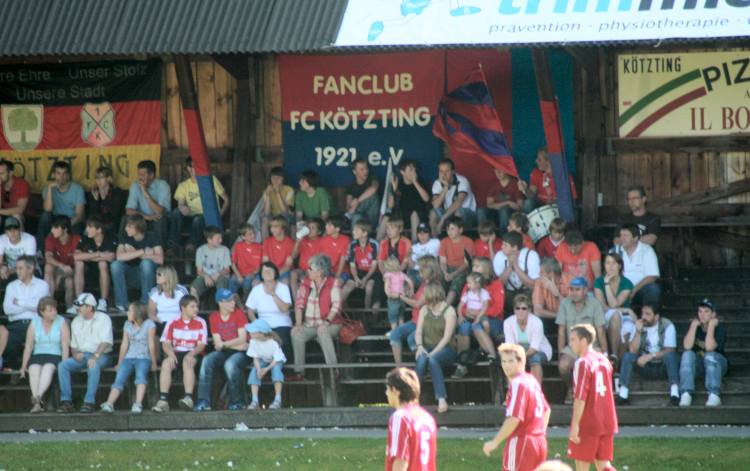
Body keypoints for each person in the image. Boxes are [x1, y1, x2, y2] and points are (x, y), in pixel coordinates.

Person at [483, 343, 550, 471]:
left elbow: (514, 418)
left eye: (511, 361)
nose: (506, 365)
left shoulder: (517, 383)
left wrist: (495, 442)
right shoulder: (531, 380)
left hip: (521, 441)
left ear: (521, 362)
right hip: (539, 441)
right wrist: (539, 433)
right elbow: (546, 411)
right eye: (503, 361)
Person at [567, 324, 618, 471]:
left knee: (582, 466)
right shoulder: (604, 360)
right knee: (604, 466)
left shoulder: (583, 362)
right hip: (607, 420)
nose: (571, 343)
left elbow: (580, 396)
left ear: (584, 340)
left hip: (589, 422)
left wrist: (575, 424)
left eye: (573, 339)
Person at [56, 293, 113, 413]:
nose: (77, 309)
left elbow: (105, 342)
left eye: (80, 306)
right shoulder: (75, 321)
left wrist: (95, 356)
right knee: (63, 365)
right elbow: (74, 345)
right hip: (83, 355)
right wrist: (75, 354)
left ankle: (89, 402)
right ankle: (66, 401)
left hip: (102, 355)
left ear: (90, 307)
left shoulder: (104, 318)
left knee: (93, 365)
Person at [195, 289, 249, 411]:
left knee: (230, 364)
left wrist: (225, 344)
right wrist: (232, 344)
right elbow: (219, 344)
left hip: (242, 353)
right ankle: (203, 401)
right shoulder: (214, 317)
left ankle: (237, 401)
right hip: (227, 351)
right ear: (220, 302)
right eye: (229, 301)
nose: (233, 303)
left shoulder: (239, 314)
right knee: (207, 360)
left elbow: (243, 339)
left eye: (233, 300)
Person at [290, 255, 342, 379]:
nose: (307, 270)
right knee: (296, 333)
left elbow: (336, 305)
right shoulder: (305, 283)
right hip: (310, 324)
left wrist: (326, 322)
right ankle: (299, 372)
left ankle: (333, 370)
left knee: (322, 331)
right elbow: (299, 304)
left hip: (332, 323)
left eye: (310, 268)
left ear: (319, 272)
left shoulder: (333, 283)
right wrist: (298, 324)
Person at [99, 302, 157, 414]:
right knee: (119, 378)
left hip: (143, 357)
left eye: (130, 310)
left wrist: (153, 362)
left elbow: (151, 344)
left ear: (137, 312)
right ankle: (109, 403)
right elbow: (124, 344)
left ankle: (138, 404)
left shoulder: (149, 324)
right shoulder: (127, 324)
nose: (127, 313)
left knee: (140, 377)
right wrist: (120, 362)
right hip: (129, 357)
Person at [152, 295, 207, 412]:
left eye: (197, 306)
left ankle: (188, 398)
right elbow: (165, 343)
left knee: (188, 362)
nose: (196, 309)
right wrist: (171, 355)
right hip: (176, 352)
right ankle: (163, 400)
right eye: (192, 306)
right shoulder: (173, 321)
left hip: (193, 352)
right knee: (166, 363)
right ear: (183, 308)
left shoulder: (201, 322)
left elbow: (201, 345)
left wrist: (190, 354)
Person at [617, 304, 679, 406]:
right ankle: (623, 395)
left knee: (671, 356)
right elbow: (632, 350)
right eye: (642, 313)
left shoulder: (667, 325)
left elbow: (670, 350)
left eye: (648, 314)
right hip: (645, 367)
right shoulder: (638, 325)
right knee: (627, 356)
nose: (643, 317)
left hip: (662, 367)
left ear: (656, 317)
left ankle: (674, 394)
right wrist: (638, 331)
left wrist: (651, 356)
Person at [556, 277, 608, 395]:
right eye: (571, 289)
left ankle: (590, 393)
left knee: (594, 367)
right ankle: (573, 389)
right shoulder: (565, 303)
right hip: (572, 347)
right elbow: (561, 331)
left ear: (585, 290)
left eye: (577, 290)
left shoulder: (595, 304)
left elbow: (601, 331)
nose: (573, 293)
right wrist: (561, 353)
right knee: (563, 366)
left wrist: (605, 353)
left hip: (592, 347)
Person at [19, 297, 69, 413]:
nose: (54, 312)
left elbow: (65, 346)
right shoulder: (35, 322)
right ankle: (38, 403)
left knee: (47, 369)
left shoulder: (61, 321)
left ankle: (37, 398)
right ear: (42, 312)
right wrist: (23, 366)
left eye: (55, 309)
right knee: (33, 369)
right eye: (50, 310)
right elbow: (29, 346)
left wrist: (64, 363)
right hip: (38, 354)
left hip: (55, 354)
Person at [169, 157, 230, 252]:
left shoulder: (211, 180)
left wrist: (219, 215)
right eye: (194, 167)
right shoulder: (183, 185)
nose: (197, 169)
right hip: (190, 218)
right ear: (189, 168)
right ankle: (173, 244)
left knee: (198, 219)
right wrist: (182, 207)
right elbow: (180, 204)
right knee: (176, 212)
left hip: (207, 218)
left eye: (199, 166)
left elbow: (226, 200)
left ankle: (191, 245)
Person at [414, 282, 457, 414]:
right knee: (421, 361)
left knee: (433, 360)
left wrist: (432, 353)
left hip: (446, 349)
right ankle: (413, 398)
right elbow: (418, 332)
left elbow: (446, 338)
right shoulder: (424, 310)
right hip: (427, 346)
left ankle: (441, 399)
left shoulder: (449, 311)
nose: (427, 302)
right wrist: (420, 347)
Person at [1, 256, 50, 370]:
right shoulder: (11, 286)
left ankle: (36, 369)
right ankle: (14, 369)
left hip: (36, 324)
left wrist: (18, 302)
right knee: (8, 343)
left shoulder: (42, 285)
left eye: (21, 268)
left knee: (42, 343)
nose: (17, 271)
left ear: (30, 268)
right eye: (17, 268)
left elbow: (40, 307)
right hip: (16, 326)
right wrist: (30, 305)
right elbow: (7, 309)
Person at [384, 367, 437, 471]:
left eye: (387, 389)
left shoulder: (401, 417)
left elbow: (401, 458)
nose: (386, 393)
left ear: (395, 390)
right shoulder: (427, 418)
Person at [679, 298, 728, 407]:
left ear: (713, 314)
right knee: (687, 354)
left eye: (706, 311)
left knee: (710, 355)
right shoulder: (695, 327)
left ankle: (714, 394)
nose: (702, 314)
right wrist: (692, 326)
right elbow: (687, 346)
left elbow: (710, 348)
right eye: (700, 311)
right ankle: (686, 393)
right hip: (700, 366)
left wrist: (710, 326)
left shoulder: (720, 328)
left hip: (718, 365)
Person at [390, 256, 437, 367]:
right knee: (395, 334)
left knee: (412, 339)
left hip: (426, 322)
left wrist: (401, 297)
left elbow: (417, 304)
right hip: (415, 320)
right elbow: (416, 299)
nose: (418, 270)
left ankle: (424, 365)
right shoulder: (423, 283)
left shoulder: (432, 285)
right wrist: (410, 295)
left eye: (421, 267)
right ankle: (399, 367)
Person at [111, 215, 163, 310]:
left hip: (148, 277)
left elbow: (160, 259)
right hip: (130, 276)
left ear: (138, 227)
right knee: (115, 265)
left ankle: (146, 302)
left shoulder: (152, 237)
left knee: (146, 263)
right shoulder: (125, 238)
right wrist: (142, 251)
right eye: (126, 226)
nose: (126, 229)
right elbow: (119, 257)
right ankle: (121, 303)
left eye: (129, 226)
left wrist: (133, 253)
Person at [245, 262, 294, 361]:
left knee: (280, 341)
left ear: (275, 273)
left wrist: (273, 294)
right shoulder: (256, 289)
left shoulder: (283, 287)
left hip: (282, 324)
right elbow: (250, 310)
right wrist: (257, 323)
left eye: (270, 271)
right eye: (264, 271)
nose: (267, 273)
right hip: (263, 325)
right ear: (261, 274)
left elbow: (284, 309)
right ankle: (264, 367)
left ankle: (285, 369)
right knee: (258, 341)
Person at [594, 253, 635, 364]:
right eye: (607, 263)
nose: (610, 266)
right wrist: (627, 310)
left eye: (614, 263)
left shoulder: (627, 283)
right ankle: (614, 355)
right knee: (615, 315)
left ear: (619, 266)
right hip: (604, 315)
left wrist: (622, 311)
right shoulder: (599, 282)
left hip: (625, 318)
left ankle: (617, 363)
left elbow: (614, 304)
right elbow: (602, 306)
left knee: (628, 328)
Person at [503, 295, 553, 385]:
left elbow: (534, 348)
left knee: (535, 359)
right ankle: (513, 393)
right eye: (517, 308)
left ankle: (535, 393)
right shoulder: (507, 322)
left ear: (529, 310)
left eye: (524, 308)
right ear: (514, 310)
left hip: (539, 350)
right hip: (518, 350)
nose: (520, 311)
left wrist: (520, 357)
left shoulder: (537, 322)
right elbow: (510, 346)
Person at [612, 223, 660, 307]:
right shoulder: (615, 251)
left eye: (626, 235)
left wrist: (634, 290)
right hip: (619, 290)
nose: (622, 238)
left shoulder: (647, 250)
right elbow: (609, 273)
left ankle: (647, 317)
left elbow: (652, 276)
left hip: (639, 290)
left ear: (635, 238)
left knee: (653, 289)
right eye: (621, 235)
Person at [74, 216, 116, 311]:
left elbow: (111, 257)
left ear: (99, 230)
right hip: (88, 270)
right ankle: (79, 300)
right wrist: (99, 254)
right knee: (79, 263)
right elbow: (76, 256)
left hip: (106, 272)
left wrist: (88, 256)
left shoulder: (110, 238)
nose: (86, 229)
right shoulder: (85, 238)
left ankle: (103, 301)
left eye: (90, 227)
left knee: (102, 263)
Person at [453, 272, 491, 379]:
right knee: (463, 327)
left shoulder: (483, 293)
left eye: (470, 283)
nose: (468, 285)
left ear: (478, 284)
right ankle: (462, 361)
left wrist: (478, 316)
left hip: (480, 315)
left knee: (485, 324)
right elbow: (460, 306)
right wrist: (460, 315)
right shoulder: (467, 293)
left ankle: (484, 347)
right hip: (469, 316)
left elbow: (485, 306)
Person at [125, 159, 171, 247]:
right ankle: (125, 247)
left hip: (162, 219)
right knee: (126, 218)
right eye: (138, 174)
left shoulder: (163, 185)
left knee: (159, 219)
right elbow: (129, 210)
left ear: (151, 175)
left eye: (142, 174)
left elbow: (160, 212)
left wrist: (145, 191)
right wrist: (147, 217)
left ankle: (160, 249)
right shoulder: (135, 185)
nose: (139, 177)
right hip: (143, 218)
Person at [38, 160, 86, 244]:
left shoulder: (77, 189)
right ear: (53, 175)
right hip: (55, 219)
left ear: (68, 175)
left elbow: (79, 216)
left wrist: (62, 227)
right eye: (58, 173)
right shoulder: (48, 188)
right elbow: (48, 209)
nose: (61, 176)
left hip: (71, 220)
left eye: (64, 173)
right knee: (45, 216)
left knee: (76, 228)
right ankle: (41, 250)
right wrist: (50, 188)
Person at [493, 231, 541, 313]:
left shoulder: (531, 255)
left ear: (514, 248)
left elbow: (533, 285)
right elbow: (499, 284)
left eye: (505, 245)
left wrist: (516, 266)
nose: (501, 247)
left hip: (527, 292)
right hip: (508, 293)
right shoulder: (499, 255)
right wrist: (510, 267)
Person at [429, 158, 477, 236]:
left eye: (447, 171)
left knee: (458, 211)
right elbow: (435, 205)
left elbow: (458, 202)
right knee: (433, 213)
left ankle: (457, 241)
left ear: (453, 171)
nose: (443, 174)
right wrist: (445, 188)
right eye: (441, 171)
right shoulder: (437, 183)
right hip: (449, 214)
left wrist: (442, 219)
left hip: (467, 214)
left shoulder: (462, 181)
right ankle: (435, 243)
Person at [246, 318, 286, 410]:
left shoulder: (273, 342)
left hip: (275, 360)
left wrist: (266, 369)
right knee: (254, 371)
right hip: (263, 359)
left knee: (276, 370)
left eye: (253, 332)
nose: (250, 333)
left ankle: (278, 399)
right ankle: (254, 400)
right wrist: (259, 369)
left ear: (261, 333)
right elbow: (255, 358)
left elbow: (276, 359)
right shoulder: (253, 341)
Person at [386, 159, 430, 242]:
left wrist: (415, 182)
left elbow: (426, 199)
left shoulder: (420, 182)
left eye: (414, 169)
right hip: (402, 216)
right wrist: (394, 190)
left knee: (414, 214)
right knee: (386, 217)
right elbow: (390, 205)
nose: (414, 172)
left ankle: (415, 246)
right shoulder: (398, 184)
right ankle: (377, 248)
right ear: (402, 172)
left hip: (418, 215)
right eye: (410, 170)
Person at [44, 215, 81, 310]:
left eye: (55, 228)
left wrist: (61, 275)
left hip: (73, 273)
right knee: (48, 266)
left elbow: (77, 266)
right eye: (52, 227)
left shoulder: (76, 239)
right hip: (58, 271)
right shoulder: (50, 239)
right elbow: (48, 258)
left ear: (65, 229)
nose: (52, 230)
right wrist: (62, 267)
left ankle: (72, 308)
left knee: (69, 281)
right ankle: (48, 303)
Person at [525, 148, 577, 212]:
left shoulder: (564, 177)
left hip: (557, 208)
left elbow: (572, 200)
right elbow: (531, 195)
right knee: (528, 203)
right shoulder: (536, 173)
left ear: (548, 161)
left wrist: (555, 202)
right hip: (540, 208)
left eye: (539, 160)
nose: (536, 161)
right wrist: (525, 189)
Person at [342, 220, 380, 309]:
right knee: (346, 289)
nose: (353, 232)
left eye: (356, 231)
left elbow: (374, 265)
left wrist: (365, 279)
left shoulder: (374, 244)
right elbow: (352, 265)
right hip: (358, 272)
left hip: (371, 273)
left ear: (365, 233)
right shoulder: (352, 244)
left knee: (369, 288)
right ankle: (340, 314)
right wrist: (356, 278)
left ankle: (368, 314)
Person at [438, 216, 475, 306]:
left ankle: (444, 309)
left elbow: (467, 264)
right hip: (448, 268)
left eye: (452, 229)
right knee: (438, 280)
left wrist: (454, 274)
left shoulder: (468, 242)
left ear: (460, 230)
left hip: (462, 269)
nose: (449, 232)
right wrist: (445, 272)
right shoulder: (444, 241)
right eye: (447, 229)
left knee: (455, 284)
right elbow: (442, 262)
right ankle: (436, 305)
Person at [478, 167, 524, 235]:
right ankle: (484, 236)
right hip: (495, 212)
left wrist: (508, 206)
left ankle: (504, 237)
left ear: (506, 171)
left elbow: (520, 206)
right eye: (496, 171)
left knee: (504, 210)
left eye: (501, 170)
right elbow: (489, 204)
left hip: (510, 214)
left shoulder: (515, 184)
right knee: (481, 210)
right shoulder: (494, 185)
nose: (498, 173)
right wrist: (507, 202)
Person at [190, 226, 231, 299]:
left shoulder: (225, 250)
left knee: (222, 289)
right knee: (193, 289)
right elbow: (199, 271)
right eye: (218, 238)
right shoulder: (200, 250)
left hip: (220, 276)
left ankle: (222, 309)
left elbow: (227, 270)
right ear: (209, 240)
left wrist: (218, 274)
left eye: (221, 238)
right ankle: (194, 309)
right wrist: (206, 276)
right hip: (205, 277)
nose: (221, 240)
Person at [85, 166, 126, 237]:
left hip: (112, 222)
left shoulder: (117, 192)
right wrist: (96, 201)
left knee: (106, 227)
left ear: (109, 178)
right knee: (89, 229)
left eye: (101, 177)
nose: (98, 181)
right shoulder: (94, 192)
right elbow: (92, 214)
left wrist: (104, 199)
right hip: (97, 223)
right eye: (97, 178)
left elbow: (115, 213)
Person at [148, 265, 189, 333]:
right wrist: (161, 322)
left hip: (178, 324)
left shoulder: (181, 291)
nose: (156, 276)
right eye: (156, 274)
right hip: (160, 324)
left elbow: (188, 310)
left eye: (159, 274)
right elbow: (151, 314)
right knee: (151, 326)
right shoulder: (154, 291)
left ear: (168, 276)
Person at [290, 217, 323, 297]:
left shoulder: (323, 241)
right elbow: (293, 256)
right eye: (308, 228)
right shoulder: (303, 240)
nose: (310, 230)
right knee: (293, 274)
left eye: (313, 228)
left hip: (315, 271)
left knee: (304, 279)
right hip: (302, 269)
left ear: (319, 232)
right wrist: (297, 242)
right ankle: (297, 303)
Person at [229, 223, 263, 298]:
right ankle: (231, 301)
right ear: (243, 237)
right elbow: (233, 263)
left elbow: (260, 266)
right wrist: (238, 275)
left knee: (247, 281)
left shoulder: (259, 247)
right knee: (232, 280)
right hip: (240, 272)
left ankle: (246, 301)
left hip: (254, 274)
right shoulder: (238, 246)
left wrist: (252, 274)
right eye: (250, 234)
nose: (253, 235)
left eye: (253, 233)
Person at [261, 166, 295, 239]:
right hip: (273, 216)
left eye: (278, 178)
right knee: (264, 219)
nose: (275, 180)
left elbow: (285, 211)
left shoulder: (289, 190)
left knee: (284, 217)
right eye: (273, 178)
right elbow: (266, 212)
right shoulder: (267, 191)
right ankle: (265, 245)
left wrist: (278, 193)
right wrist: (267, 195)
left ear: (283, 179)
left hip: (285, 216)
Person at [345, 158, 380, 228]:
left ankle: (355, 212)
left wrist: (357, 201)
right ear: (354, 171)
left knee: (373, 196)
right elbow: (349, 206)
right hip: (358, 219)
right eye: (362, 169)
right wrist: (351, 207)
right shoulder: (351, 186)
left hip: (372, 218)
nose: (365, 171)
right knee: (356, 216)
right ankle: (356, 239)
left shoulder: (373, 179)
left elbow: (373, 189)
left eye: (366, 168)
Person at [0, 216, 36, 283]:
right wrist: (2, 268)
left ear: (20, 230)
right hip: (10, 269)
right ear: (5, 232)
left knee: (27, 272)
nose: (12, 232)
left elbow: (29, 264)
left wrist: (10, 271)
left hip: (28, 269)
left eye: (15, 229)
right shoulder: (1, 239)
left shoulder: (30, 239)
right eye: (9, 230)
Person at [383, 256, 413, 335]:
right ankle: (402, 332)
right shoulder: (401, 274)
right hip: (402, 297)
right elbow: (410, 281)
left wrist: (388, 294)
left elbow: (387, 286)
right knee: (401, 316)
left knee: (393, 317)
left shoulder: (388, 274)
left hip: (393, 297)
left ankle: (394, 333)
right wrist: (411, 290)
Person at [532, 257, 567, 323]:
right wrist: (558, 315)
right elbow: (537, 311)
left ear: (551, 274)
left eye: (541, 272)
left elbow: (571, 309)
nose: (539, 274)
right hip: (549, 318)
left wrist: (557, 293)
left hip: (567, 319)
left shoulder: (568, 280)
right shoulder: (539, 282)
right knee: (536, 321)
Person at [262, 215, 294, 283]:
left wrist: (276, 275)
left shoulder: (290, 242)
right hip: (270, 271)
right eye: (271, 227)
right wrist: (269, 274)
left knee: (285, 282)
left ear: (283, 228)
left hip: (283, 271)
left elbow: (288, 266)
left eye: (275, 226)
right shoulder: (267, 241)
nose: (272, 229)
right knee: (255, 282)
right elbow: (265, 261)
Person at [320, 216, 351, 283]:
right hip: (327, 271)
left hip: (342, 272)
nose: (326, 227)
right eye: (326, 225)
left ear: (337, 229)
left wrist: (337, 276)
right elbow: (321, 258)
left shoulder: (345, 239)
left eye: (329, 226)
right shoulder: (323, 240)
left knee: (335, 285)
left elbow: (343, 258)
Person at [0, 159, 31, 223]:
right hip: (5, 214)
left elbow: (20, 209)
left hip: (24, 216)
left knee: (16, 216)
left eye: (1, 173)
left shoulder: (22, 184)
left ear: (11, 173)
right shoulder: (1, 184)